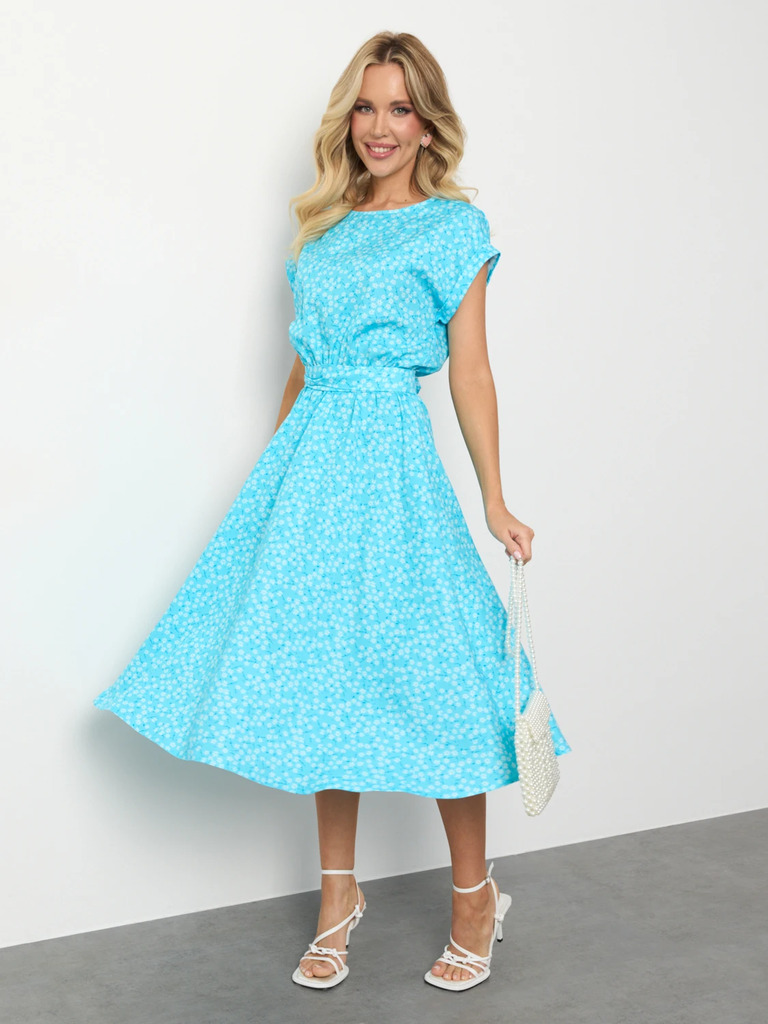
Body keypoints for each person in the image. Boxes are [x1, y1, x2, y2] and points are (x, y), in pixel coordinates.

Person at [93, 30, 571, 993]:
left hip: (393, 466)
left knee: (443, 681)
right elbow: (304, 365)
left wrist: (494, 498)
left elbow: (472, 372)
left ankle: (474, 898)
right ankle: (338, 898)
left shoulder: (453, 229)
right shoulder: (325, 229)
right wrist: (273, 479)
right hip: (312, 469)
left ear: (427, 122)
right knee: (324, 679)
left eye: (400, 108)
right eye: (365, 106)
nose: (379, 126)